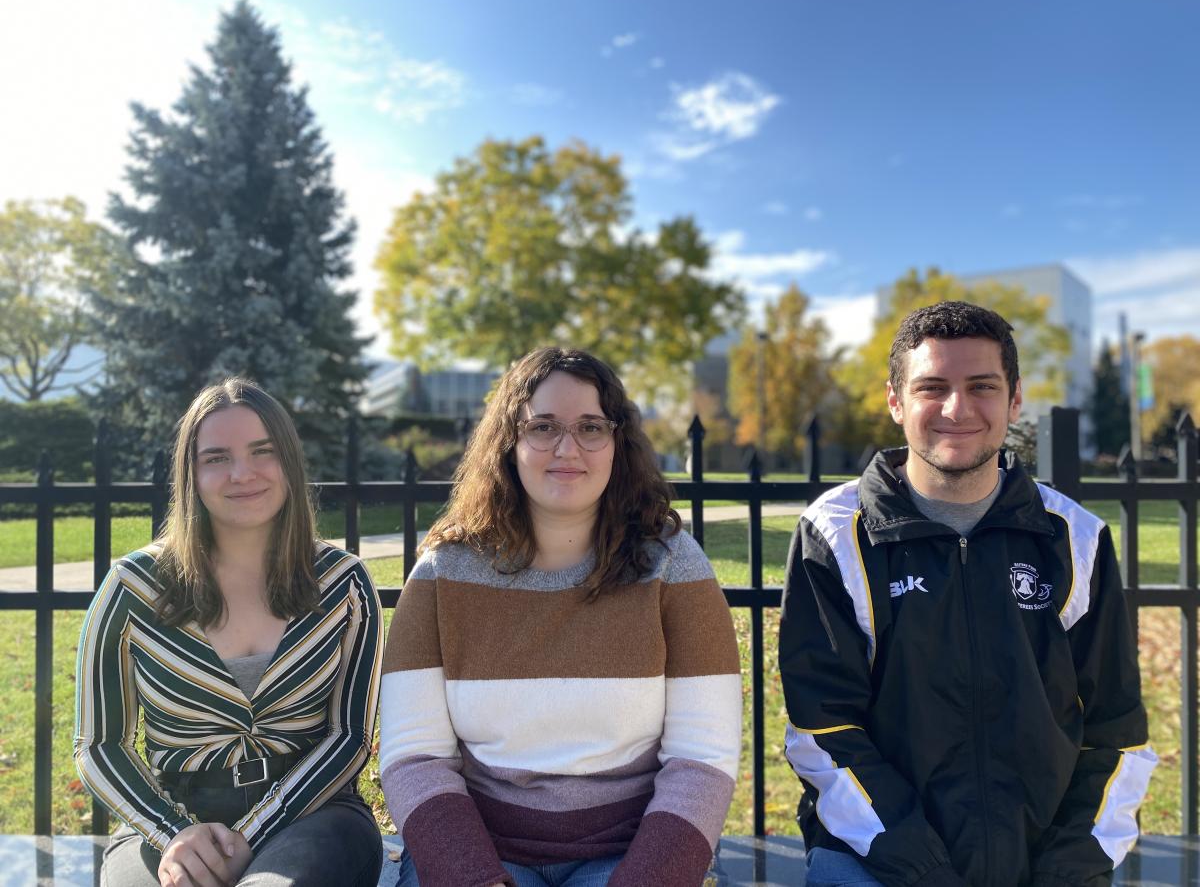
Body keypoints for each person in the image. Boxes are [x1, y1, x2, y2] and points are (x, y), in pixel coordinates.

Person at [779, 301, 1155, 886]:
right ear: (896, 401)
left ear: (1015, 398)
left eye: (982, 386)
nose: (958, 409)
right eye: (933, 387)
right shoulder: (834, 534)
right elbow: (822, 732)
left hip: (1044, 861)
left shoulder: (1074, 536)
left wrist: (1066, 870)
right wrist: (922, 867)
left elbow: (1118, 732)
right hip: (877, 856)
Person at [380, 347, 741, 887]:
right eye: (543, 426)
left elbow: (702, 760)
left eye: (591, 426)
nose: (567, 448)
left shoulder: (674, 567)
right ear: (510, 440)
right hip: (480, 854)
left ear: (617, 442)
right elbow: (415, 758)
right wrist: (473, 877)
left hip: (630, 852)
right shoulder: (443, 574)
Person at [75, 378, 383, 887]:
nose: (243, 474)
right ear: (191, 475)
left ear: (289, 460)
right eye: (217, 457)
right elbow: (97, 742)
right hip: (167, 823)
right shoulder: (132, 588)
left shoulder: (343, 583)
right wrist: (173, 833)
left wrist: (252, 832)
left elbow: (349, 736)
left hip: (314, 814)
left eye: (263, 451)